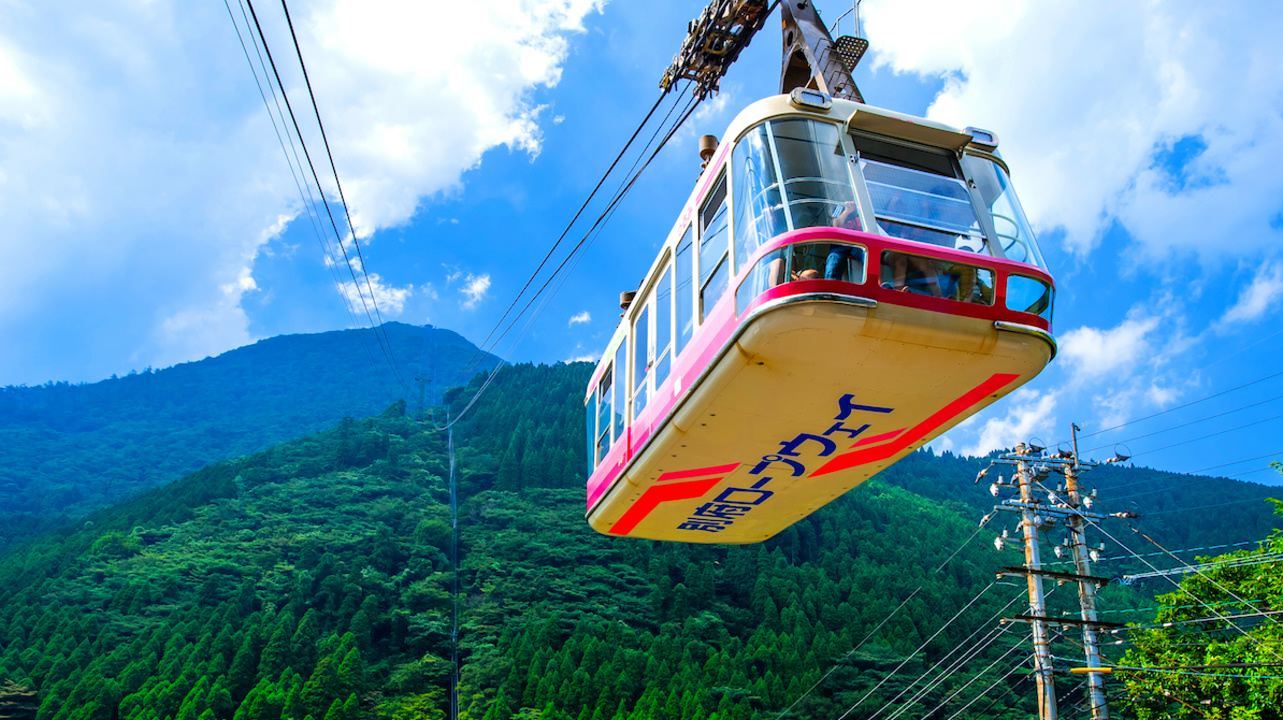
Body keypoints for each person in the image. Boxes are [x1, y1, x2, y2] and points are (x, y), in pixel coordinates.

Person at [825, 201, 862, 281]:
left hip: (859, 244)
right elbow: (836, 225)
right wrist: (847, 211)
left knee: (869, 256)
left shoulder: (863, 210)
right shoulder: (840, 206)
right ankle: (830, 286)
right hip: (840, 244)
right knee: (833, 260)